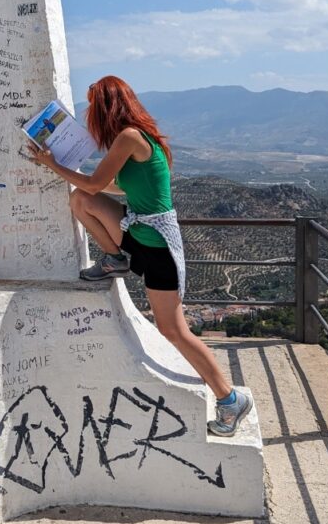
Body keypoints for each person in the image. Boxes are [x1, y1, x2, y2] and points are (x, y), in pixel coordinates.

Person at [27, 75, 253, 436]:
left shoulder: (130, 137)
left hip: (158, 247)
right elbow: (113, 186)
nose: (89, 116)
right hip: (138, 235)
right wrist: (82, 175)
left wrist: (51, 163)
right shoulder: (136, 138)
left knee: (173, 330)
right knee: (80, 202)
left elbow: (94, 185)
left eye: (93, 107)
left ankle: (229, 399)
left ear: (106, 107)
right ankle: (116, 258)